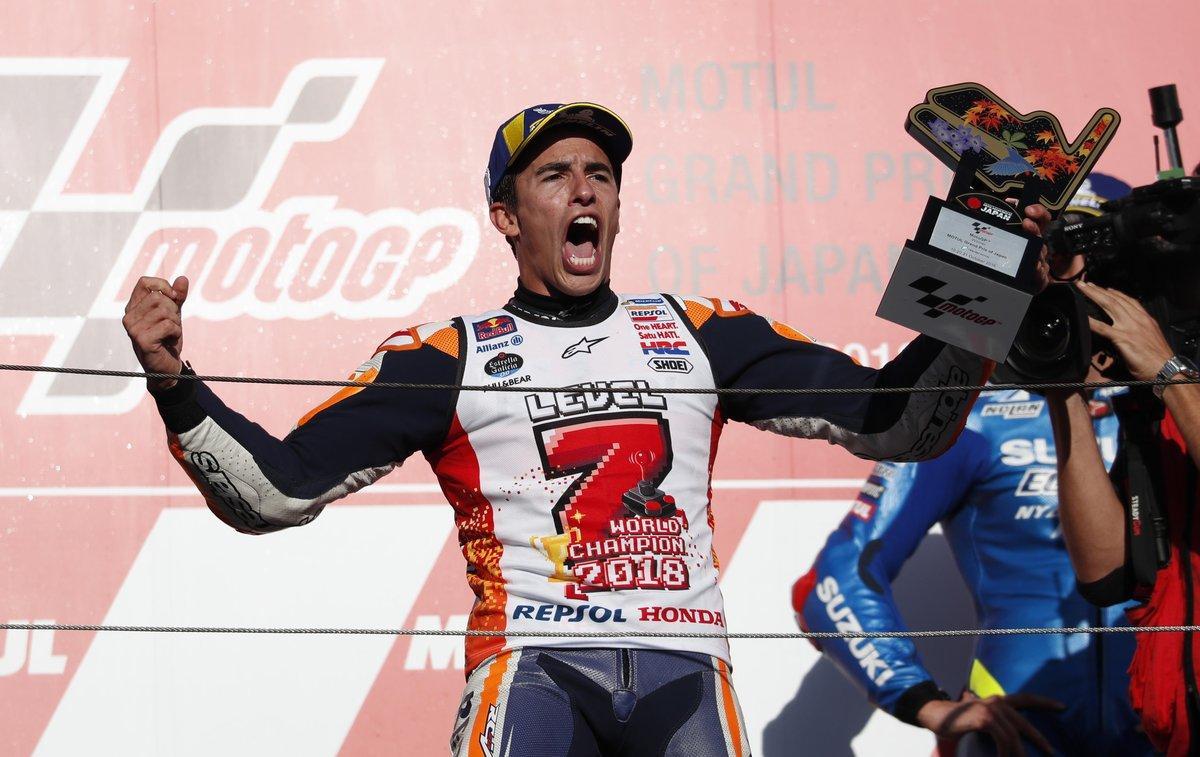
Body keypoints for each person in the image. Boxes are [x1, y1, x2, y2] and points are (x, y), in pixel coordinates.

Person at [122, 102, 1049, 756]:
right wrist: (174, 381)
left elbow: (901, 425)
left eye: (601, 175)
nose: (586, 190)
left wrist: (986, 244)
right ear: (506, 214)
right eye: (555, 173)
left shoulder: (699, 331)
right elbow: (276, 493)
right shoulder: (448, 352)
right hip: (533, 668)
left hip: (688, 664)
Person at [793, 175, 1153, 757]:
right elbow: (833, 583)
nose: (1076, 278)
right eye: (1053, 255)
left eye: (1093, 255)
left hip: (1164, 726)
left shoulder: (1169, 402)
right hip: (1021, 741)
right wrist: (928, 704)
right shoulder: (978, 412)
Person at [1047, 264, 1200, 752]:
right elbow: (1107, 573)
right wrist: (1062, 387)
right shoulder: (1157, 402)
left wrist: (1169, 370)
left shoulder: (1171, 381)